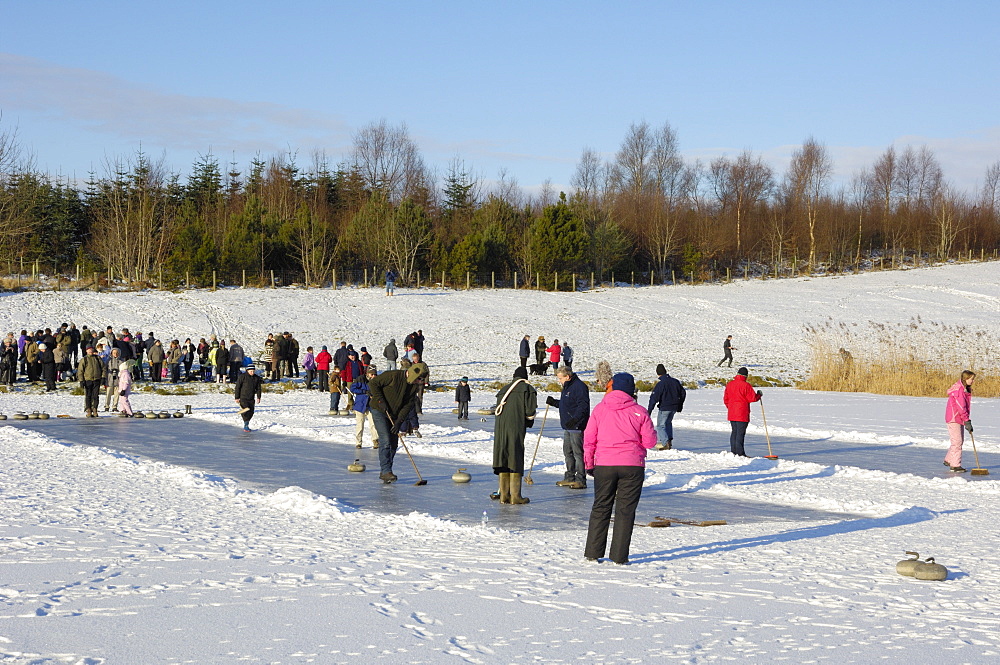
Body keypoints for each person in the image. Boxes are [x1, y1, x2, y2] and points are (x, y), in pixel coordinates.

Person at [583, 372, 657, 565]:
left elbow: (589, 439)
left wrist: (589, 463)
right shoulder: (640, 411)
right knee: (625, 511)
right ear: (632, 390)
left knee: (601, 507)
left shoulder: (600, 409)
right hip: (632, 466)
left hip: (605, 464)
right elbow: (650, 442)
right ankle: (619, 556)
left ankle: (593, 552)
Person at [368, 364, 428, 483]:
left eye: (421, 379)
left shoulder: (413, 387)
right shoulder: (392, 375)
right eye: (419, 378)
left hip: (394, 415)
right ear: (412, 374)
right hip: (379, 410)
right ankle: (386, 471)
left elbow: (407, 406)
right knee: (385, 440)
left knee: (394, 444)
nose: (419, 381)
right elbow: (373, 383)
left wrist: (399, 422)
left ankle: (386, 470)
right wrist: (380, 400)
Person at [491, 366, 537, 504]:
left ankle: (504, 496)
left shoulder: (503, 390)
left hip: (500, 429)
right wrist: (528, 423)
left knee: (503, 458)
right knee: (515, 457)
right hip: (515, 428)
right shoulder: (527, 389)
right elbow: (530, 412)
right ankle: (516, 496)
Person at [547, 366, 591, 489]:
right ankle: (569, 477)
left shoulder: (579, 387)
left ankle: (580, 479)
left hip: (576, 426)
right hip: (568, 426)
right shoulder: (567, 387)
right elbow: (566, 404)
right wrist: (554, 402)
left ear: (567, 376)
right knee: (568, 452)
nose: (559, 381)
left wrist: (575, 420)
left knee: (578, 453)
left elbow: (583, 406)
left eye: (560, 378)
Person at [723, 367, 761, 457]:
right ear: (746, 376)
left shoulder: (730, 384)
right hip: (742, 413)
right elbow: (752, 398)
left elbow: (726, 399)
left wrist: (730, 407)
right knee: (740, 433)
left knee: (734, 432)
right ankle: (740, 453)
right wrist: (759, 395)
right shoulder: (746, 385)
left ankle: (733, 452)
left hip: (732, 412)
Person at [647, 363, 686, 450]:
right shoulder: (675, 381)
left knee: (661, 425)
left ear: (658, 373)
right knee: (668, 423)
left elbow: (654, 398)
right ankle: (669, 441)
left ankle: (665, 443)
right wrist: (680, 405)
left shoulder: (661, 384)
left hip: (665, 408)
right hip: (674, 408)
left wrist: (649, 411)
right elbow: (683, 393)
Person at [944, 370, 976, 473]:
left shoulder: (964, 389)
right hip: (954, 418)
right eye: (971, 379)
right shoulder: (960, 391)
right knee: (957, 442)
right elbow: (961, 407)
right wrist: (967, 421)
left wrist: (965, 420)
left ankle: (949, 459)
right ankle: (955, 465)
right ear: (966, 379)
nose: (973, 381)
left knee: (957, 441)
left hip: (958, 418)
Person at [350, 365, 381, 449]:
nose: (373, 376)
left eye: (375, 374)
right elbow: (352, 388)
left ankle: (375, 440)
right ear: (367, 373)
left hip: (371, 406)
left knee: (373, 424)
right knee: (360, 425)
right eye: (372, 374)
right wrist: (363, 391)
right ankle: (358, 442)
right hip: (360, 405)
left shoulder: (377, 381)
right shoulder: (360, 379)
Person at [233, 364, 263, 431]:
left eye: (253, 371)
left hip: (251, 398)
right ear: (247, 370)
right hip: (243, 397)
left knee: (251, 412)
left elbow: (258, 388)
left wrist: (259, 397)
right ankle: (246, 425)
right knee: (246, 410)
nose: (252, 372)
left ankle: (247, 422)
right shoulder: (242, 377)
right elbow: (237, 387)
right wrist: (237, 397)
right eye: (251, 371)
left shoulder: (256, 378)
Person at [77, 345, 104, 417]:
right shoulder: (84, 359)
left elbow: (103, 368)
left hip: (96, 379)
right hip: (87, 380)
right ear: (86, 351)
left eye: (91, 350)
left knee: (95, 395)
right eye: (89, 350)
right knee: (88, 395)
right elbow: (80, 371)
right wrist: (81, 380)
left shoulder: (98, 358)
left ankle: (95, 408)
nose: (90, 351)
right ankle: (88, 409)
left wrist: (103, 377)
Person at [103, 347, 122, 412]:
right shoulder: (108, 360)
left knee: (117, 394)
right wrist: (105, 377)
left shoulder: (121, 361)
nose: (115, 354)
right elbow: (105, 369)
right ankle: (107, 406)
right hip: (109, 379)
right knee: (108, 394)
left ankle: (115, 406)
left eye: (117, 353)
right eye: (114, 353)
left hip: (118, 379)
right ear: (111, 353)